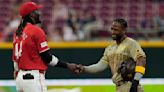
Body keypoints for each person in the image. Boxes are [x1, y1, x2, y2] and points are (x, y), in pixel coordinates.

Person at [12, 2, 78, 92]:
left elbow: (15, 61)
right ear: (31, 15)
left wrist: (17, 75)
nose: (39, 13)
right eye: (36, 11)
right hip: (33, 78)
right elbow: (47, 58)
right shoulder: (36, 31)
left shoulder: (18, 33)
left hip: (20, 78)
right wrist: (68, 65)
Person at [76, 18, 146, 92]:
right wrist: (84, 68)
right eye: (112, 29)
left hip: (129, 85)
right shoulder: (110, 48)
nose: (113, 32)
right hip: (119, 87)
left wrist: (136, 81)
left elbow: (141, 60)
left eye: (116, 30)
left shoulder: (131, 43)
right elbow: (99, 66)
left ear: (124, 30)